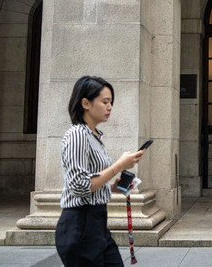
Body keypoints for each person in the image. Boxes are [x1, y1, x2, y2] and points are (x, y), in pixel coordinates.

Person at [55, 75, 145, 266]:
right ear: (85, 103)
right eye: (105, 101)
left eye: (111, 102)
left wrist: (114, 186)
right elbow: (79, 187)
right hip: (80, 225)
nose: (110, 106)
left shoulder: (93, 135)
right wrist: (118, 166)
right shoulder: (77, 135)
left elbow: (92, 181)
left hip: (96, 225)